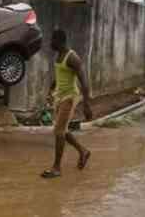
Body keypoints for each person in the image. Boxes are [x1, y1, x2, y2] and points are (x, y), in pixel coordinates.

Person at [41, 29, 92, 179]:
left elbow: (84, 80)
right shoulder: (59, 56)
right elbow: (60, 74)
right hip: (60, 96)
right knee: (62, 130)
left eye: (52, 41)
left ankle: (56, 168)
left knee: (59, 132)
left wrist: (87, 104)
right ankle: (83, 151)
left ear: (59, 41)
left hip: (69, 97)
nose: (50, 43)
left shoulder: (72, 57)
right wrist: (51, 89)